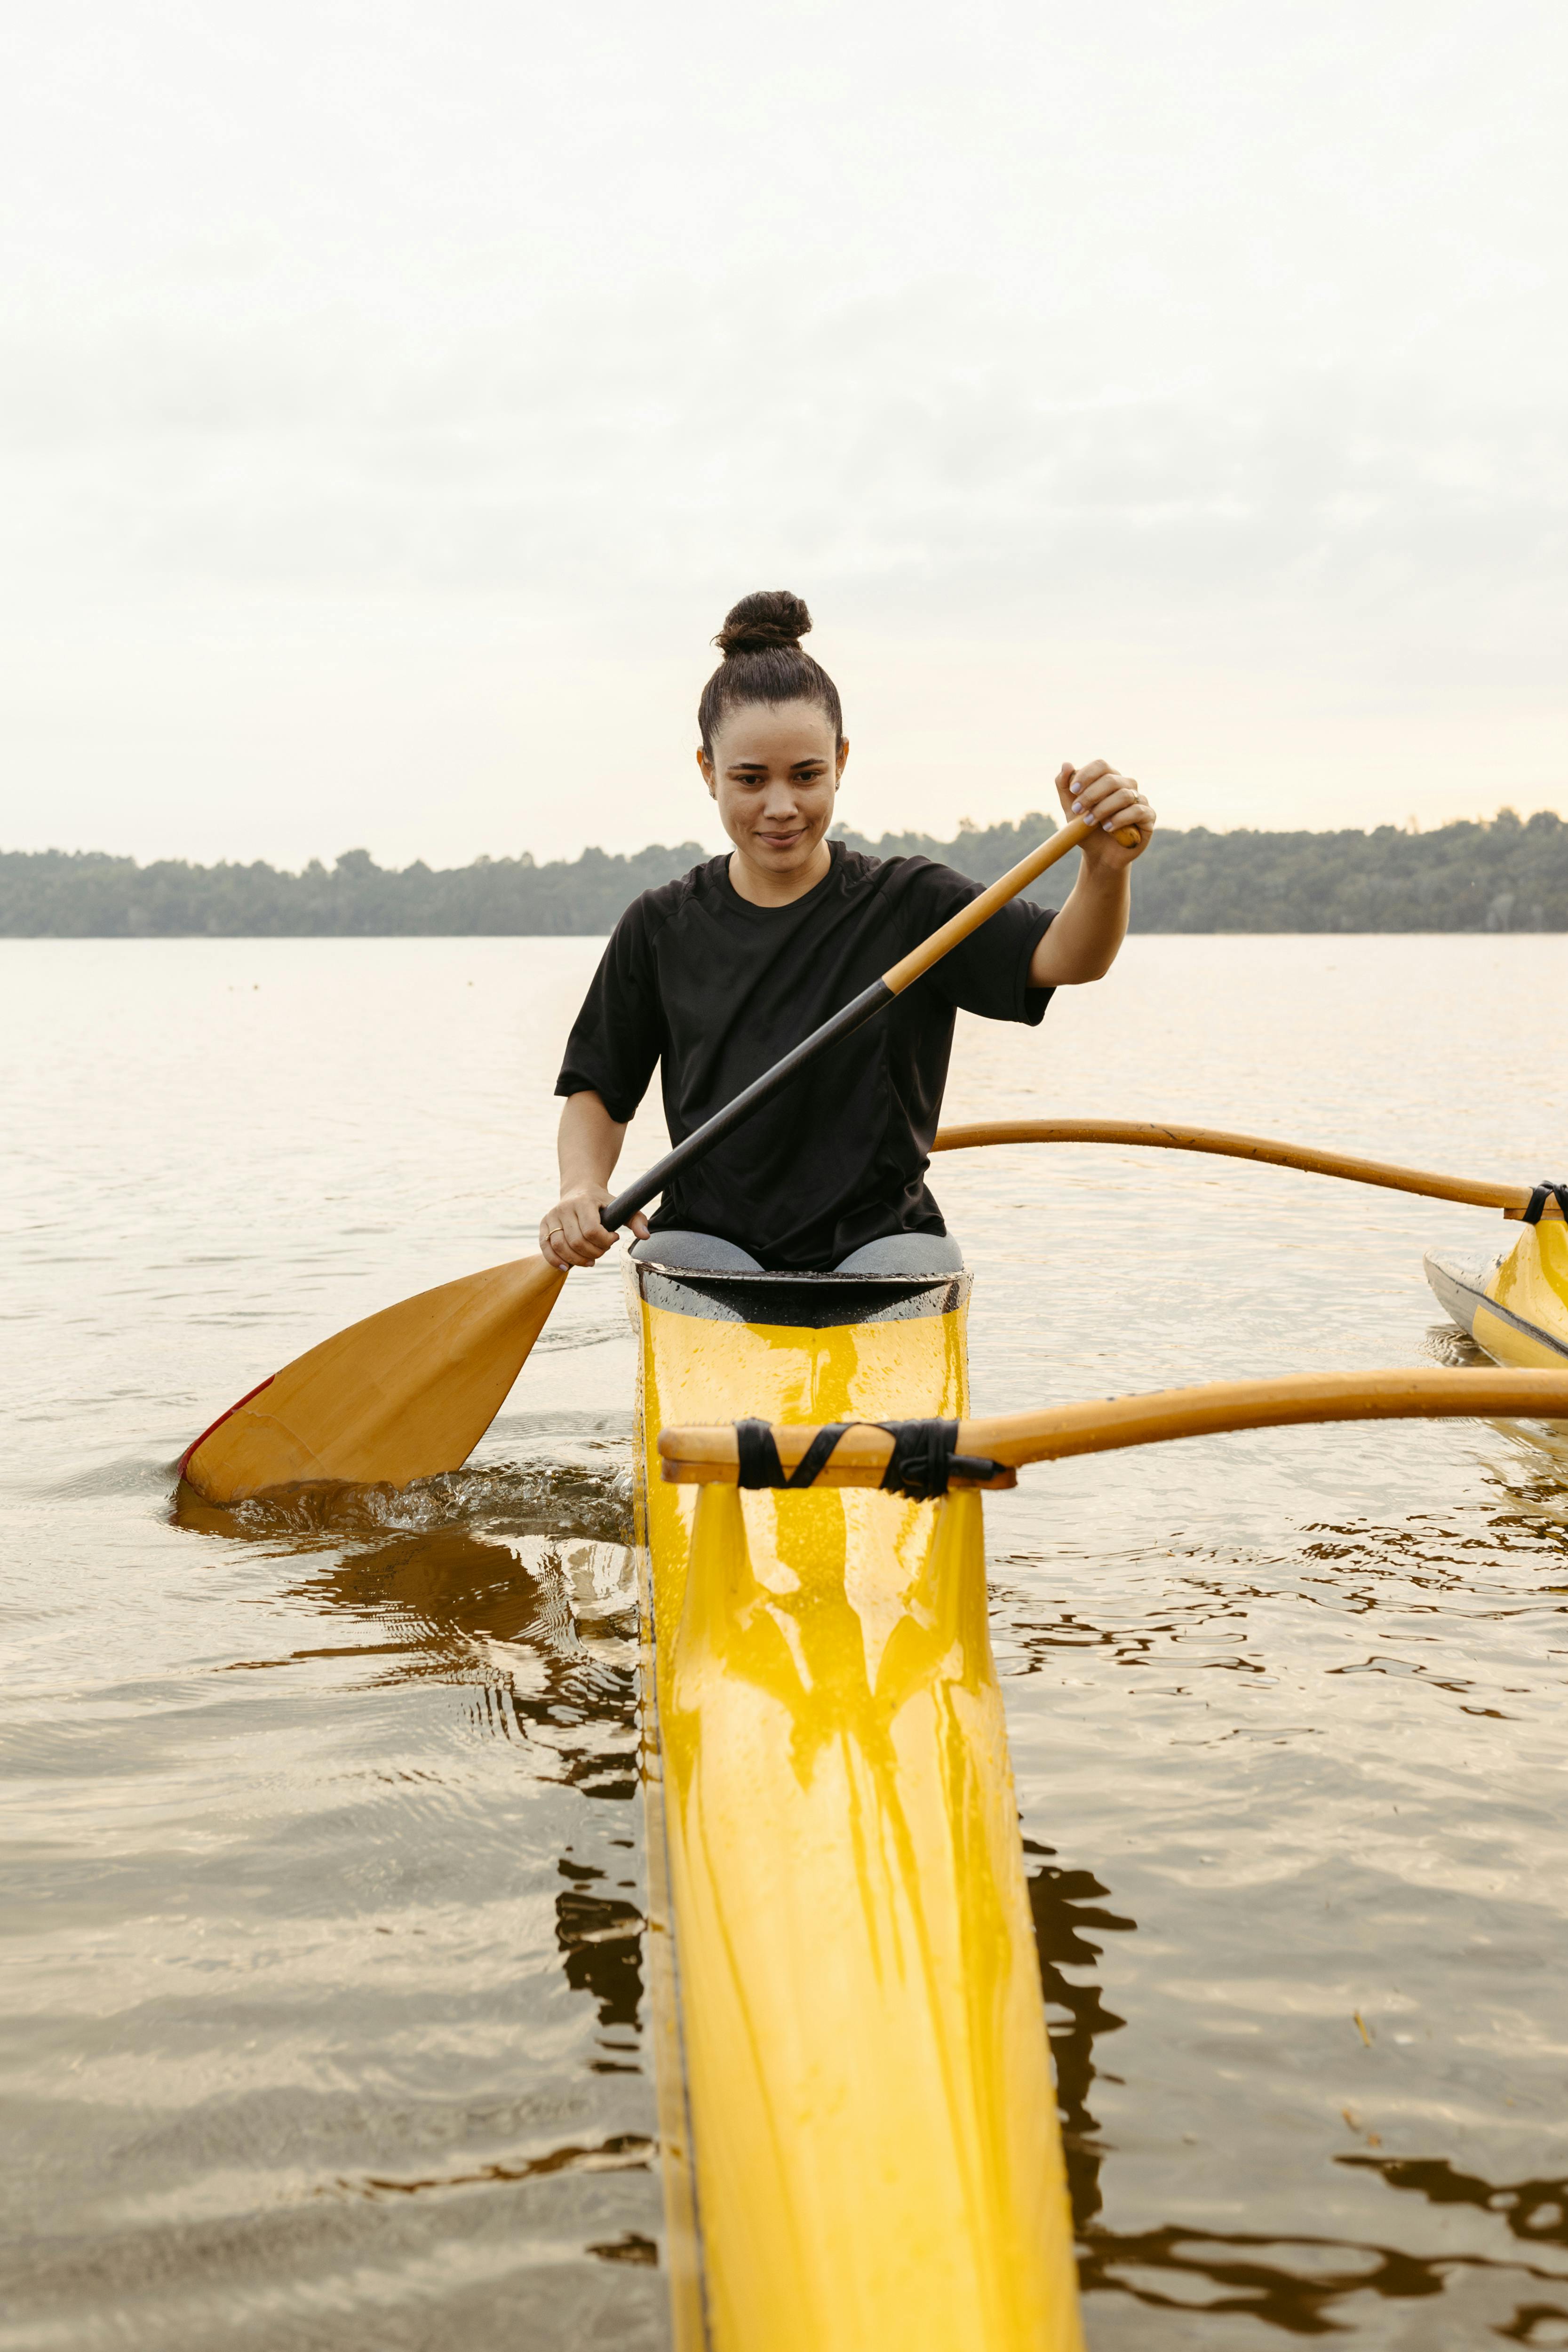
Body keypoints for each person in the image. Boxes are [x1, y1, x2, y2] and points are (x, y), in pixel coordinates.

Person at [539, 590, 1155, 1276]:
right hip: (711, 1244)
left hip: (883, 1240)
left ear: (841, 760)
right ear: (707, 772)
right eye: (749, 779)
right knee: (682, 1264)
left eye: (807, 776)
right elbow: (598, 1087)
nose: (781, 807)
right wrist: (581, 1187)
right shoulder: (659, 924)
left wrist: (1103, 868)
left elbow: (1066, 958)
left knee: (904, 1274)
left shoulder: (912, 902)